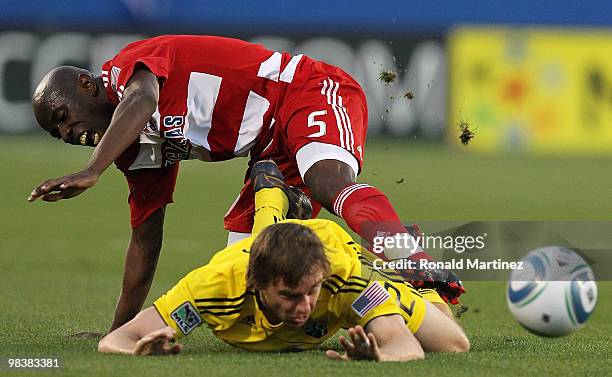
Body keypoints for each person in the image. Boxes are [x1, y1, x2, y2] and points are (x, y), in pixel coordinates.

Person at [27, 35, 464, 331]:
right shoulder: (135, 148)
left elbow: (143, 98)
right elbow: (146, 239)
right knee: (247, 266)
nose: (68, 134)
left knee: (326, 178)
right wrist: (120, 330)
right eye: (57, 134)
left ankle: (415, 264)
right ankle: (380, 302)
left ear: (87, 85)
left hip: (306, 90)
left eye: (63, 118)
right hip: (269, 153)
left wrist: (91, 170)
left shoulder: (124, 72)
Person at [97, 172, 469, 360]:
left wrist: (379, 355)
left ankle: (420, 284)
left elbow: (407, 348)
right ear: (256, 284)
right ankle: (271, 200)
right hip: (266, 256)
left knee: (452, 343)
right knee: (262, 242)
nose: (305, 306)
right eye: (291, 295)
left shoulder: (343, 278)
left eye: (311, 292)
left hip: (336, 247)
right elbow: (115, 340)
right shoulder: (214, 286)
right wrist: (138, 351)